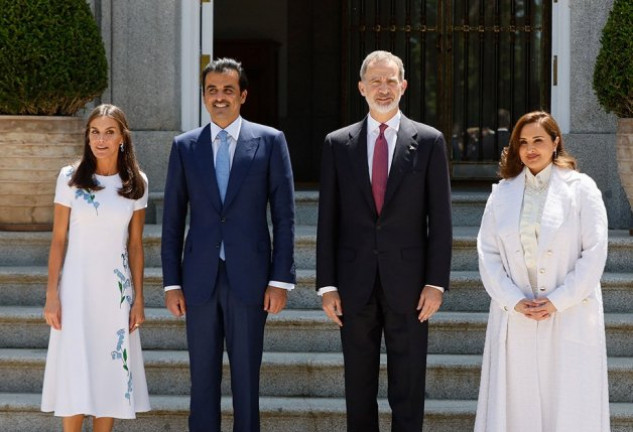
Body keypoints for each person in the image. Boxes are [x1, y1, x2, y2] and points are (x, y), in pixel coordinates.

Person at [316, 50, 452, 432]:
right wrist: (327, 285)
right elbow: (328, 221)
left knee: (408, 387)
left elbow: (440, 220)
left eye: (391, 80)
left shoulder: (429, 142)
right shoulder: (337, 144)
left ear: (403, 86)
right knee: (358, 389)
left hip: (410, 287)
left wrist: (435, 282)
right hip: (353, 284)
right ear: (361, 88)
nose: (383, 88)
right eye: (375, 80)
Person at [161, 57, 295, 432]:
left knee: (246, 379)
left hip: (251, 280)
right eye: (212, 90)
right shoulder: (185, 146)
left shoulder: (269, 142)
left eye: (228, 90)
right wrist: (172, 283)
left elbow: (284, 216)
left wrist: (280, 279)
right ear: (204, 96)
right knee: (201, 379)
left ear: (243, 95)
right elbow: (172, 220)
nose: (220, 98)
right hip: (198, 279)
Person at [475, 111, 610, 431]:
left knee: (569, 403)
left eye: (538, 140)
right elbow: (488, 253)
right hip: (517, 314)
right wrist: (514, 300)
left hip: (570, 313)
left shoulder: (582, 189)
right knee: (516, 407)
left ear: (555, 142)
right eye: (523, 142)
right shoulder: (502, 194)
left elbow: (595, 252)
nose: (530, 148)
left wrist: (558, 300)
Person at [41, 104, 151, 431]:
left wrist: (139, 299)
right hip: (75, 289)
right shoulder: (69, 179)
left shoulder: (136, 183)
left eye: (109, 132)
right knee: (75, 370)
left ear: (122, 138)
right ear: (87, 137)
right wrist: (51, 294)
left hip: (115, 293)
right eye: (94, 132)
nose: (100, 139)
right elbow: (58, 240)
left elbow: (135, 245)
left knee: (110, 371)